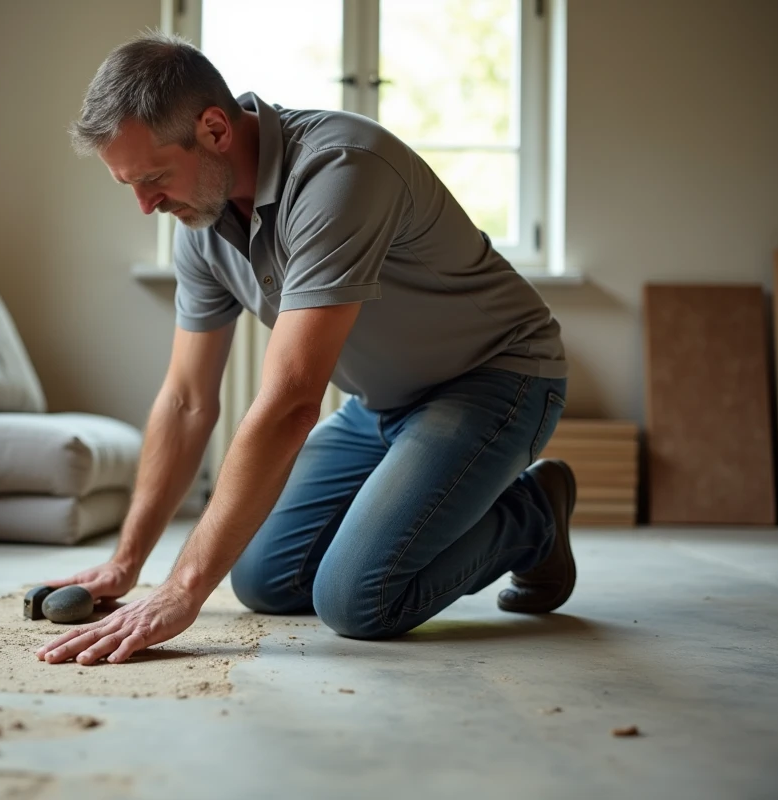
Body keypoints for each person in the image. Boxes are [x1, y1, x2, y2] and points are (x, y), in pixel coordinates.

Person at [35, 31, 575, 667]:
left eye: (152, 178)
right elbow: (185, 401)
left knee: (357, 600)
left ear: (214, 129)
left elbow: (293, 400)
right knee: (263, 580)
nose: (146, 205)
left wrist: (181, 591)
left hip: (496, 380)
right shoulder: (201, 225)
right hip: (382, 404)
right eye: (129, 184)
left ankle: (534, 517)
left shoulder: (339, 170)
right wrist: (128, 563)